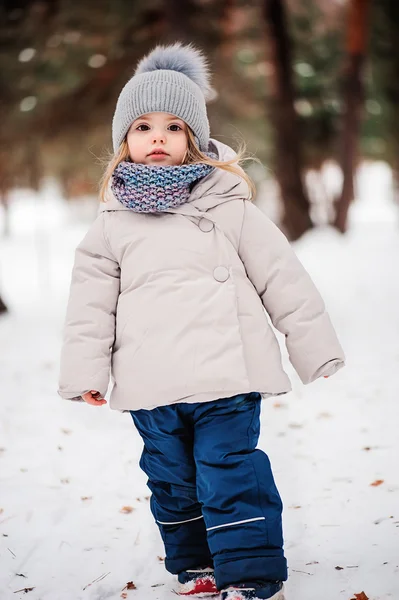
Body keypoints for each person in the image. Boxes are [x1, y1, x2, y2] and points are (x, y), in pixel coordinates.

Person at [58, 43, 345, 600]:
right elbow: (89, 308)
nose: (157, 136)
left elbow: (282, 279)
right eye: (142, 126)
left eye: (172, 125)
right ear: (124, 142)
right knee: (173, 482)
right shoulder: (111, 226)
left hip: (226, 377)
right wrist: (85, 373)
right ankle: (197, 567)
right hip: (151, 383)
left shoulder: (229, 206)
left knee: (230, 471)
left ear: (195, 137)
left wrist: (315, 348)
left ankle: (253, 575)